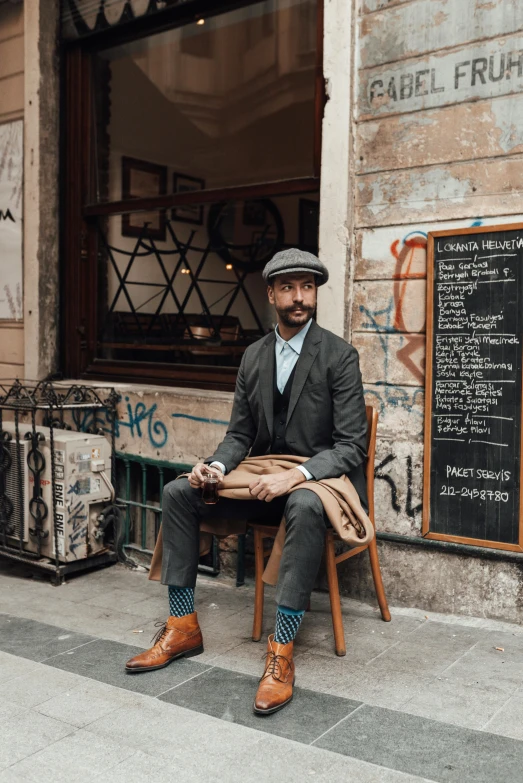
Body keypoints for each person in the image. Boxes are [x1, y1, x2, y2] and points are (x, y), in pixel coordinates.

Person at [125, 248, 368, 715]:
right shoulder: (254, 356)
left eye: (308, 287)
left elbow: (351, 446)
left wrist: (293, 476)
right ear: (271, 294)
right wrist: (215, 467)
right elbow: (239, 433)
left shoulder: (339, 356)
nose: (300, 298)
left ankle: (281, 652)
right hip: (260, 483)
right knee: (180, 491)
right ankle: (182, 626)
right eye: (289, 288)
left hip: (316, 484)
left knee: (304, 505)